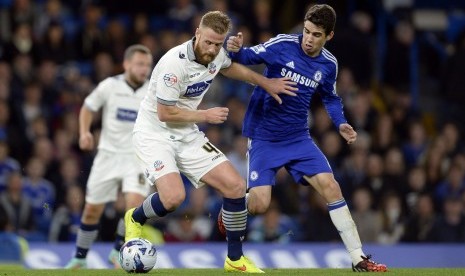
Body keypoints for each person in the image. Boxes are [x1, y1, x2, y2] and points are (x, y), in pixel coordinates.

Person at [124, 10, 296, 273]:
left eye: (218, 43)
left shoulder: (217, 53)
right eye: (208, 42)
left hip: (186, 132)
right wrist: (205, 114)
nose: (213, 48)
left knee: (236, 186)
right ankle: (134, 218)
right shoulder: (174, 63)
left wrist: (265, 82)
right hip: (154, 132)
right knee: (173, 198)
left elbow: (230, 67)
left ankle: (234, 260)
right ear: (197, 34)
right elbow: (165, 113)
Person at [221, 4, 388, 272]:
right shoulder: (283, 44)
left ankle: (358, 258)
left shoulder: (328, 64)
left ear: (329, 36)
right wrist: (235, 48)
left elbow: (331, 98)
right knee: (260, 205)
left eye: (316, 35)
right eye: (307, 31)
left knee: (331, 187)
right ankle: (232, 207)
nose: (308, 39)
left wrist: (341, 122)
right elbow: (247, 57)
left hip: (298, 137)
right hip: (264, 136)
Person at [65, 44, 153, 269]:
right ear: (126, 64)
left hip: (137, 158)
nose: (145, 69)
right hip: (107, 155)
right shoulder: (110, 86)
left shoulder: (152, 91)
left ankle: (117, 251)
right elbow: (87, 107)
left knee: (133, 206)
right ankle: (80, 258)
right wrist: (84, 132)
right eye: (140, 64)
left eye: (147, 65)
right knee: (92, 209)